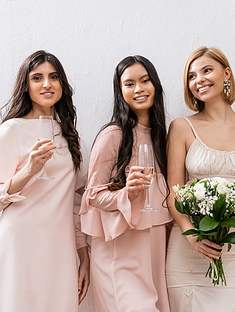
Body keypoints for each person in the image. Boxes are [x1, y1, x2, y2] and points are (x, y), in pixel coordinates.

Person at [0, 50, 90, 312]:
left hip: (59, 249)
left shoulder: (69, 136)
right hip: (19, 246)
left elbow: (76, 203)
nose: (46, 84)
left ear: (62, 84)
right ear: (26, 86)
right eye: (37, 77)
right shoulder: (12, 130)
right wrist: (29, 170)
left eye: (53, 77)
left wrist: (83, 255)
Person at [166, 46, 235, 312]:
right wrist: (193, 237)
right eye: (191, 76)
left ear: (226, 73)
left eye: (206, 70)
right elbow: (173, 193)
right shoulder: (181, 127)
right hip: (188, 248)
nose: (198, 79)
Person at [79, 55, 172, 312]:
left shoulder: (160, 138)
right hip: (119, 249)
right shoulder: (113, 135)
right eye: (129, 84)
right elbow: (92, 196)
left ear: (155, 85)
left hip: (152, 245)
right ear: (120, 92)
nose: (139, 89)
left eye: (145, 81)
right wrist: (126, 194)